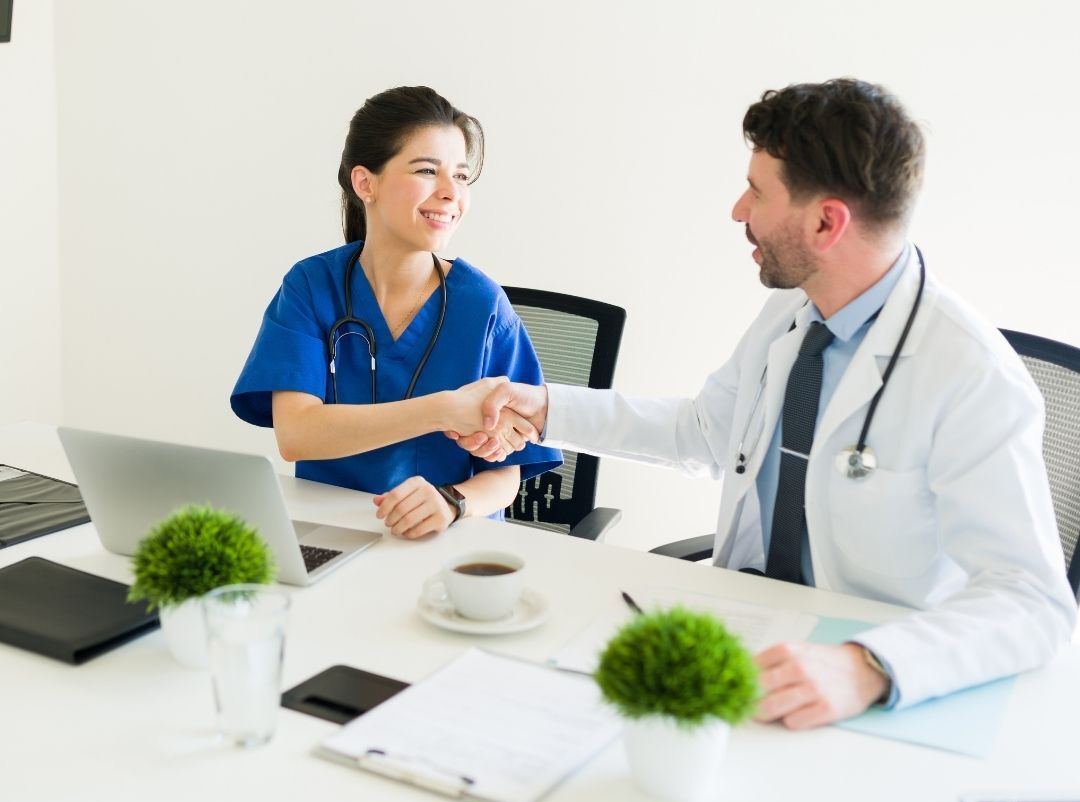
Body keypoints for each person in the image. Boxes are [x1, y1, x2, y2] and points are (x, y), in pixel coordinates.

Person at [451, 78, 1076, 725]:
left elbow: (1033, 600)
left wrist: (868, 666)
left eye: (757, 191)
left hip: (867, 673)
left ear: (827, 221)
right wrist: (545, 409)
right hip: (751, 630)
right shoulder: (793, 312)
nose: (736, 210)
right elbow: (704, 432)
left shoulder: (970, 375)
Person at [231, 85, 560, 539]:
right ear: (365, 183)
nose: (450, 193)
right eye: (428, 170)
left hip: (448, 543)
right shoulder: (311, 286)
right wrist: (444, 409)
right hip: (330, 532)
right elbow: (297, 435)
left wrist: (453, 502)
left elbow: (508, 472)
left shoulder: (481, 304)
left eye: (461, 177)